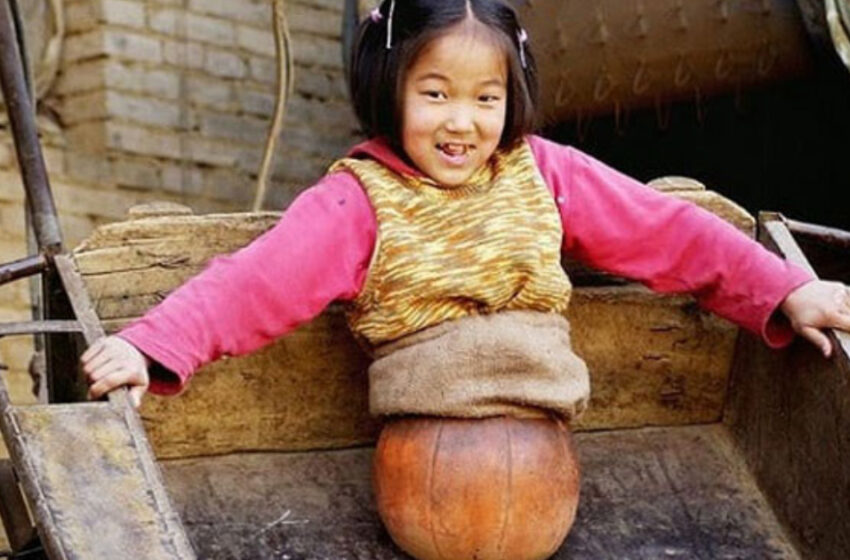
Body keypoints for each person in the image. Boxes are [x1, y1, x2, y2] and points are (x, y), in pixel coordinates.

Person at [81, 0, 850, 557]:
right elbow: (256, 282)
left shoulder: (542, 172)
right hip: (427, 481)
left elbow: (667, 231)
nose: (463, 122)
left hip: (548, 475)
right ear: (390, 88)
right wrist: (154, 344)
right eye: (436, 93)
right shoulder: (358, 201)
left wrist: (783, 288)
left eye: (487, 98)